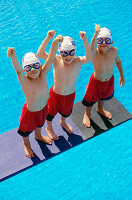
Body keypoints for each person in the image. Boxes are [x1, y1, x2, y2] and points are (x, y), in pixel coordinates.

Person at [7, 35, 63, 158]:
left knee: (40, 124)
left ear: (40, 66)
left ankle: (38, 135)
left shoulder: (43, 74)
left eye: (35, 66)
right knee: (26, 131)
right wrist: (13, 57)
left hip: (43, 109)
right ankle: (26, 144)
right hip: (30, 112)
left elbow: (51, 58)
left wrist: (54, 43)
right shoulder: (25, 81)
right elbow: (18, 70)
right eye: (28, 67)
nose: (32, 69)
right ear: (25, 70)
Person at [37, 30, 92, 140]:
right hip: (55, 94)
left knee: (66, 113)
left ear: (75, 51)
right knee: (50, 113)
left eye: (71, 52)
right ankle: (49, 127)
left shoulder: (78, 61)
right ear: (59, 52)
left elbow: (89, 58)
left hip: (69, 95)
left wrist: (85, 40)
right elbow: (40, 54)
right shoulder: (56, 59)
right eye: (64, 53)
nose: (68, 57)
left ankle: (62, 121)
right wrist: (48, 38)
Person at [82, 24, 125, 128]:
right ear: (97, 42)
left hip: (109, 80)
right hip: (96, 82)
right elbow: (91, 47)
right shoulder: (94, 53)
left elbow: (118, 62)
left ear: (111, 42)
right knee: (90, 99)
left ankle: (100, 109)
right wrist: (96, 33)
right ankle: (87, 114)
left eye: (107, 41)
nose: (104, 43)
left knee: (104, 96)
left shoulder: (114, 51)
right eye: (100, 40)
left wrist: (122, 76)